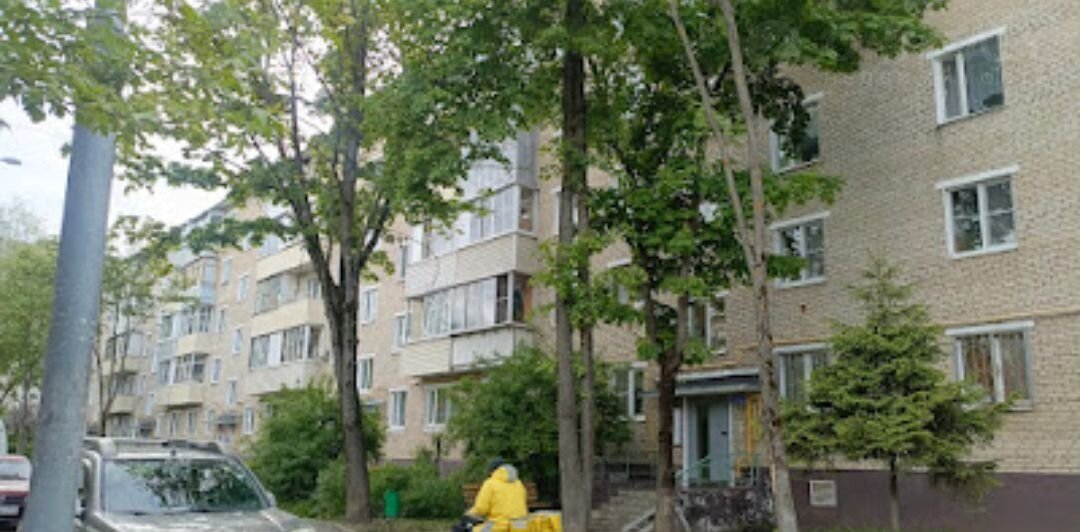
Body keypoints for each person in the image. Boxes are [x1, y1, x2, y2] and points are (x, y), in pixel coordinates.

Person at [457, 458, 528, 532]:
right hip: (521, 526)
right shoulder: (519, 483)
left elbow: (481, 509)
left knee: (464, 529)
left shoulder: (490, 483)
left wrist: (468, 515)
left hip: (499, 526)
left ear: (493, 471)